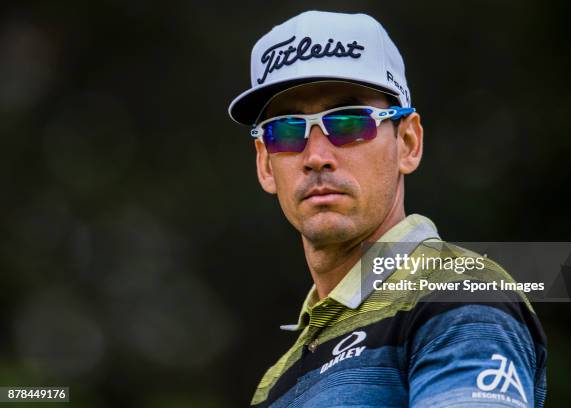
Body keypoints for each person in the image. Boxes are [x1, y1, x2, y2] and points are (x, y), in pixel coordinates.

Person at [228, 10, 547, 408]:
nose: (316, 156)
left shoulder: (457, 294)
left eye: (349, 123)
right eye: (287, 131)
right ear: (264, 163)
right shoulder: (277, 377)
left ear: (408, 143)